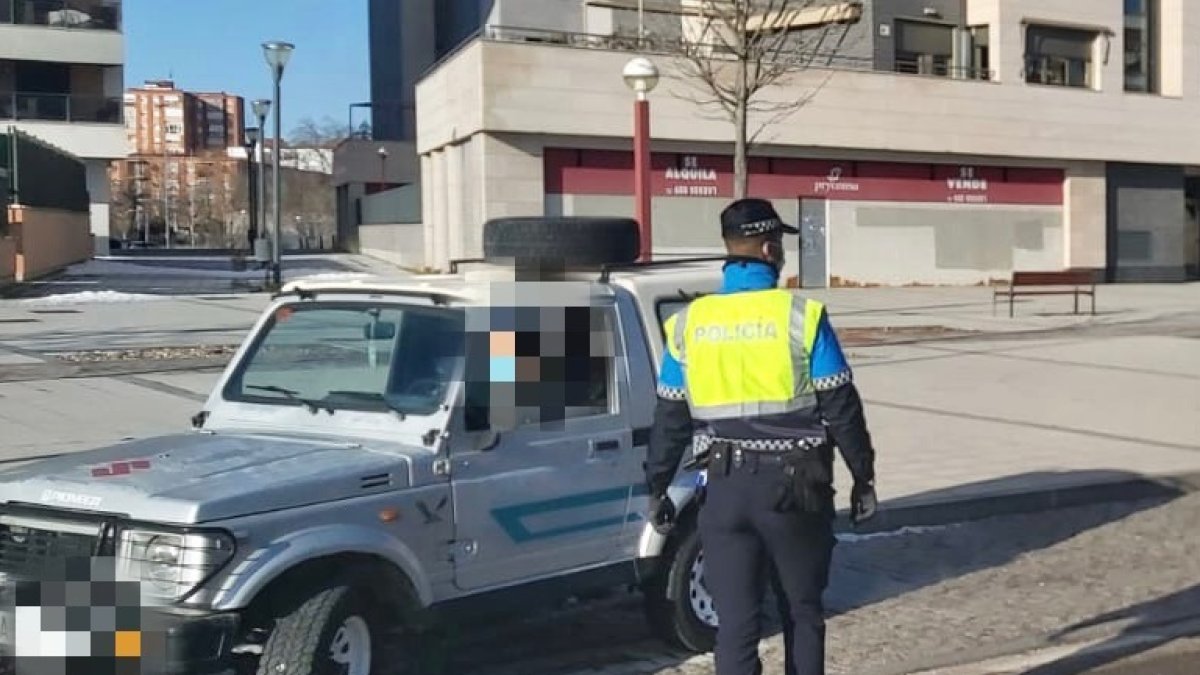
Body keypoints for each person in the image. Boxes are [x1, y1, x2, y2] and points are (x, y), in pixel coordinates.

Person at [644, 198, 879, 675]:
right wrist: (863, 477)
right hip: (795, 490)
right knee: (802, 613)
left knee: (735, 624)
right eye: (782, 247)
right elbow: (841, 407)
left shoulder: (689, 323)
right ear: (770, 247)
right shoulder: (801, 316)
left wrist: (658, 489)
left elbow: (669, 419)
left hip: (723, 492)